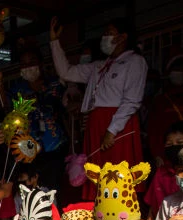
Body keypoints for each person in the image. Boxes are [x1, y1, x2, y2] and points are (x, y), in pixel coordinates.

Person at [50, 17, 147, 199]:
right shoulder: (99, 65)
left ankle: (120, 212)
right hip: (95, 122)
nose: (104, 36)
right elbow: (66, 72)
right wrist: (54, 42)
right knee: (96, 173)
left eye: (109, 32)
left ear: (122, 37)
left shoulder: (135, 61)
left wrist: (112, 129)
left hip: (117, 122)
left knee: (116, 172)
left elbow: (132, 100)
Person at [10, 49, 69, 193]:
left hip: (55, 145)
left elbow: (64, 108)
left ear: (40, 63)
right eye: (23, 63)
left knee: (54, 188)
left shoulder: (55, 83)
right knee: (33, 189)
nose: (28, 66)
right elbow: (9, 113)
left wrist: (39, 92)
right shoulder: (17, 90)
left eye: (31, 61)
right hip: (29, 149)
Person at [143, 121, 183, 220]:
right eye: (169, 144)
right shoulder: (161, 173)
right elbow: (152, 208)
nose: (174, 147)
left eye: (180, 143)